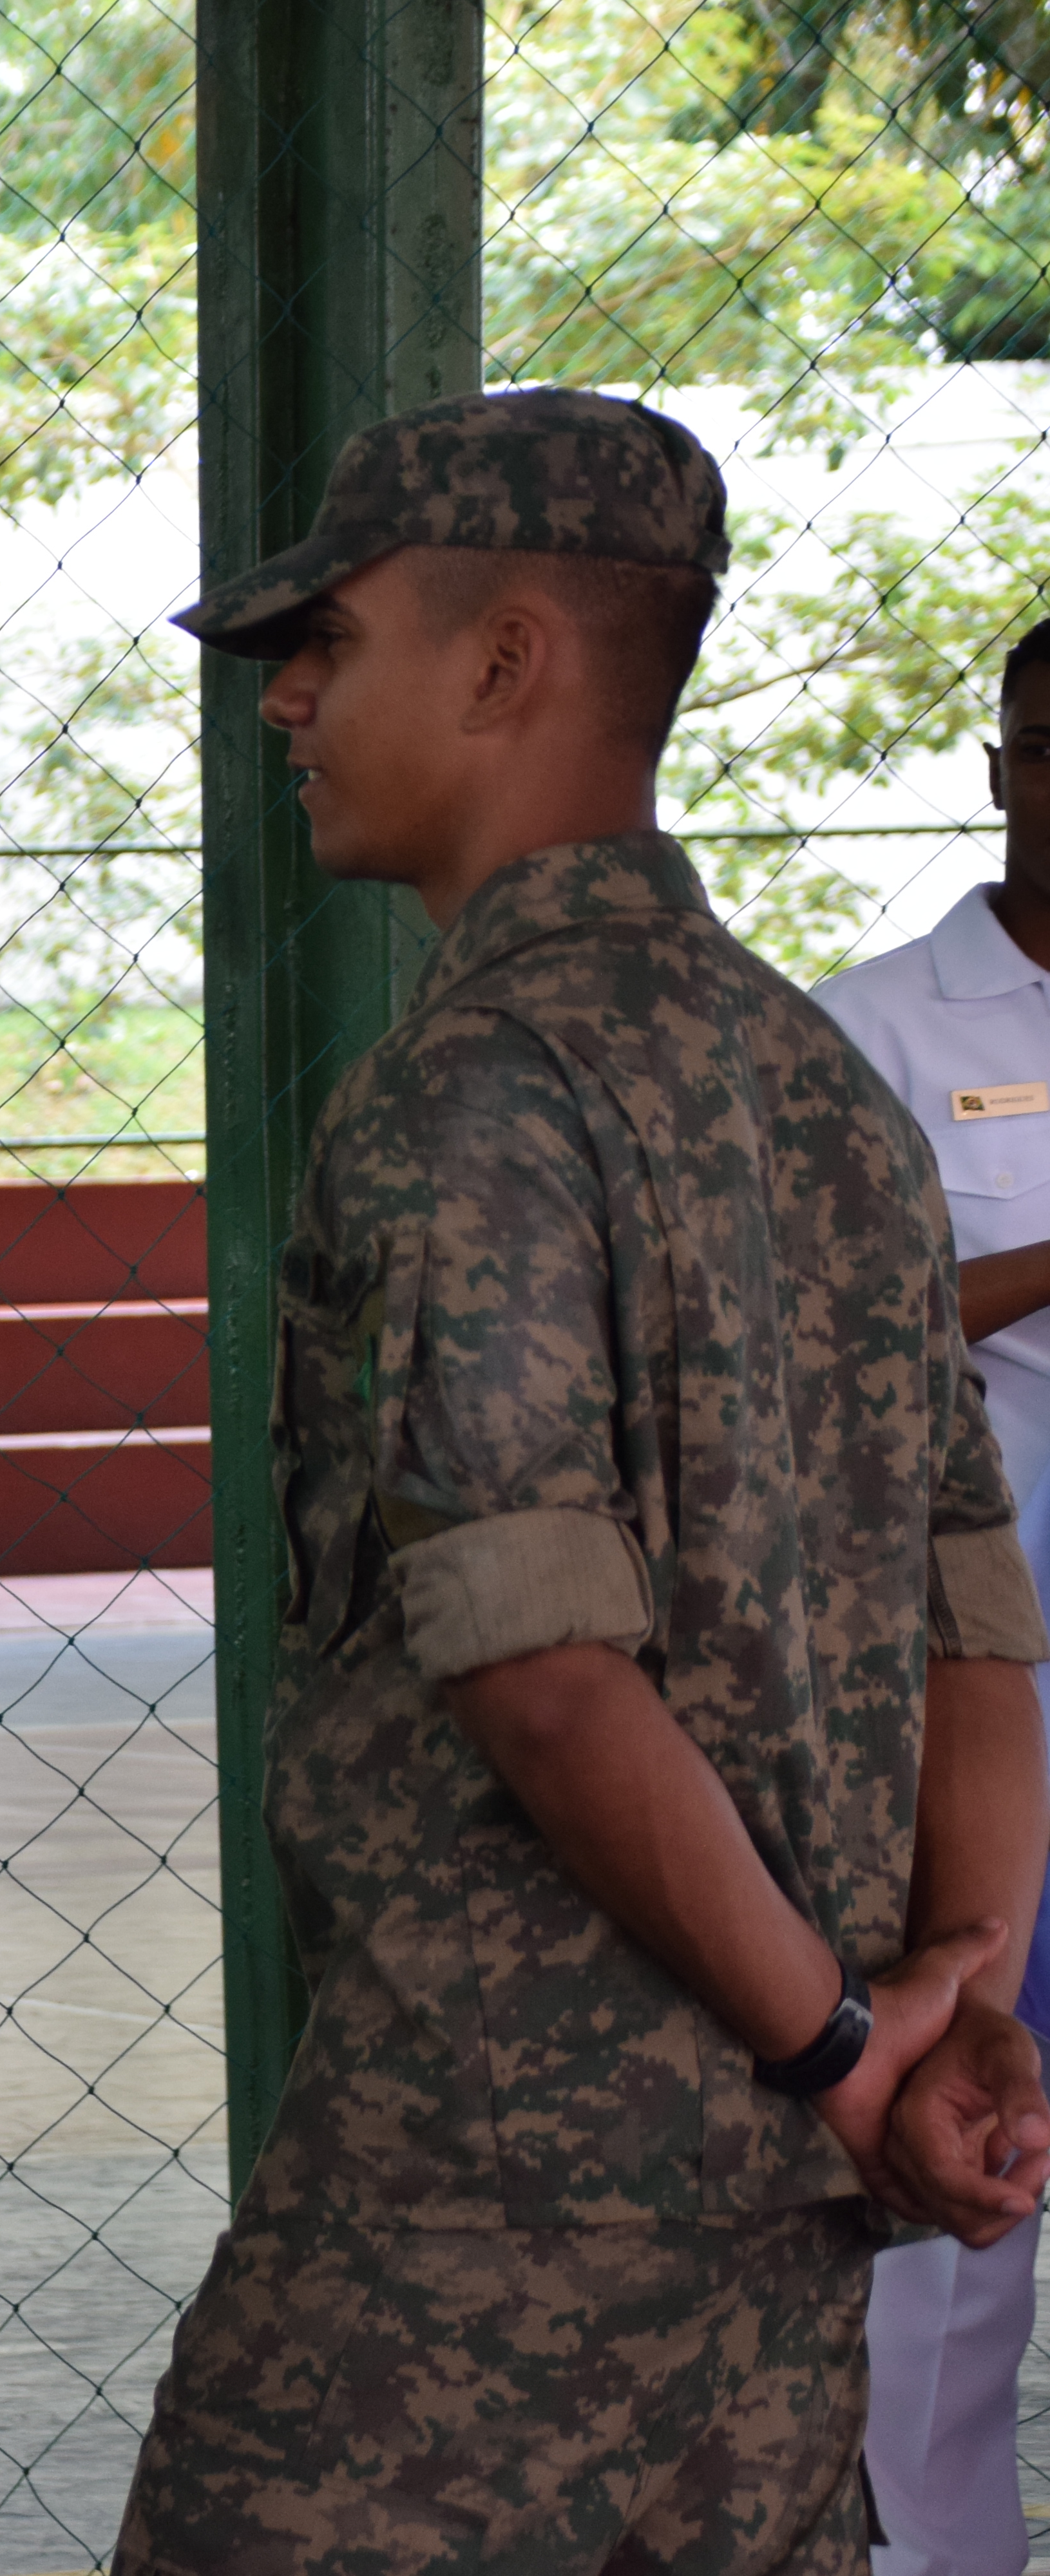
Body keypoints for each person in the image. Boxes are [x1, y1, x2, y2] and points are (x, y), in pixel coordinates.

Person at [115, 386, 1050, 2573]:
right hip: (766, 2238)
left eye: (327, 643)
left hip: (476, 2214)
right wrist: (959, 2000)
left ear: (509, 659)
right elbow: (977, 1612)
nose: (294, 709)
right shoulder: (819, 1084)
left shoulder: (469, 1089)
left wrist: (850, 2046)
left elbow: (542, 1672)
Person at [811, 612, 1050, 2576]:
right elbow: (842, 1332)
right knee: (959, 2215)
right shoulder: (877, 1027)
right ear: (996, 766)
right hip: (980, 1708)